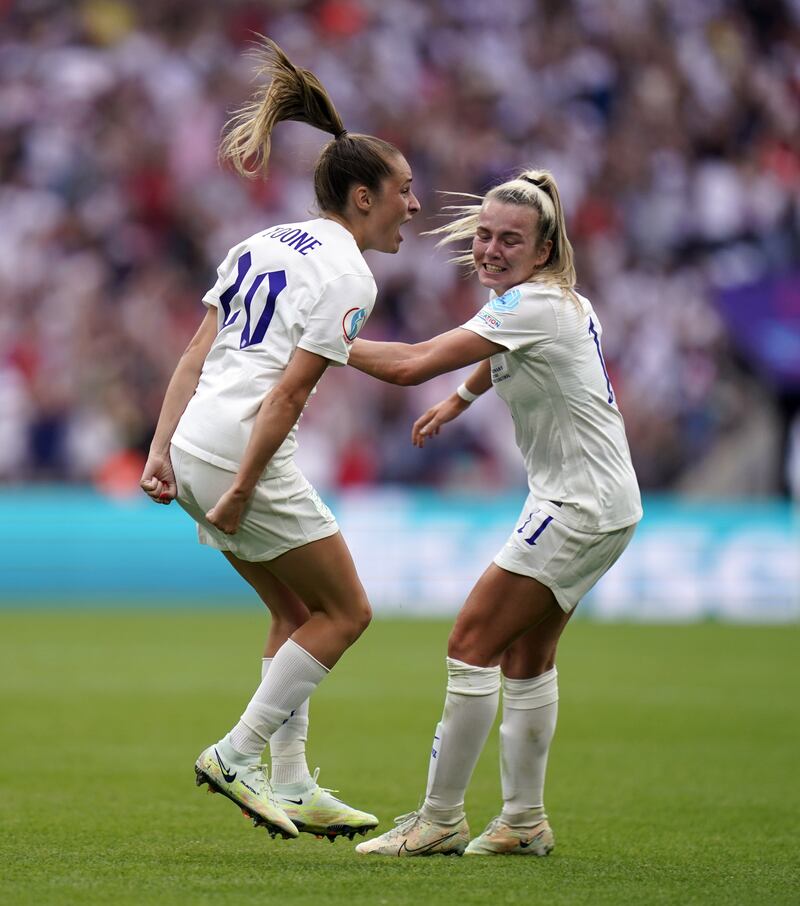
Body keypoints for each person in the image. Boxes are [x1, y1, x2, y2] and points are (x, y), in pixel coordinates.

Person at [139, 37, 420, 842]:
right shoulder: (350, 275)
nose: (414, 204)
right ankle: (236, 754)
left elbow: (198, 351)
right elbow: (291, 390)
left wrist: (162, 450)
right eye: (403, 190)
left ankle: (294, 784)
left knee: (296, 609)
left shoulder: (262, 242)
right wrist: (239, 486)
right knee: (348, 612)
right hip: (239, 453)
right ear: (362, 197)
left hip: (195, 440)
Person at [347, 169, 642, 856]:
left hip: (578, 505)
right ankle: (522, 821)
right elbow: (494, 356)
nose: (489, 249)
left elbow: (412, 362)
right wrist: (462, 400)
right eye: (483, 235)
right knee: (527, 657)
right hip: (598, 500)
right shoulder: (558, 302)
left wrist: (311, 341)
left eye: (510, 240)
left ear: (543, 252)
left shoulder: (529, 307)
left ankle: (439, 820)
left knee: (470, 643)